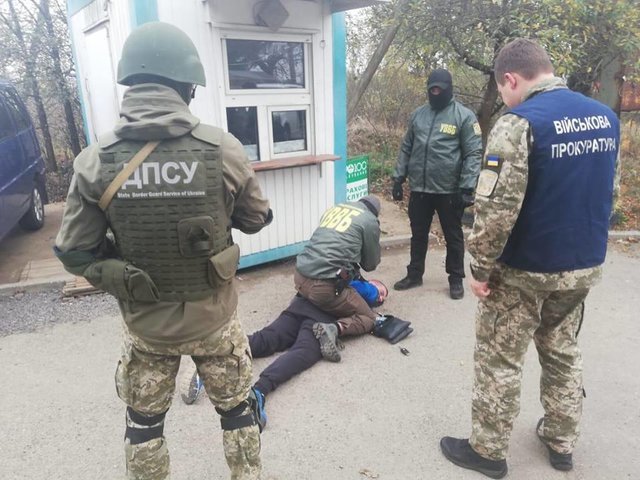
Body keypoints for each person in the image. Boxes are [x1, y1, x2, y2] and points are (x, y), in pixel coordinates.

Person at [54, 22, 272, 480]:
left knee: (144, 425)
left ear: (130, 85)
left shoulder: (95, 161)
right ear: (186, 86)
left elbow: (74, 251)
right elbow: (255, 218)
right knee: (238, 413)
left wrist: (123, 273)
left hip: (147, 327)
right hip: (214, 320)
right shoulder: (223, 149)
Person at [440, 38, 620, 479]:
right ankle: (561, 442)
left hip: (525, 270)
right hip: (582, 266)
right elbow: (609, 194)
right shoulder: (606, 118)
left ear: (511, 79)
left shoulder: (517, 124)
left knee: (500, 357)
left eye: (503, 90)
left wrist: (479, 268)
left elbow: (496, 211)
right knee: (562, 350)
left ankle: (487, 451)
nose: (504, 98)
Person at [392, 68, 482, 299]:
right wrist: (398, 177)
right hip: (420, 188)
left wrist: (467, 187)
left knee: (453, 235)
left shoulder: (464, 116)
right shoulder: (418, 115)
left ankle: (456, 278)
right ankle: (414, 274)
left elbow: (473, 153)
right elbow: (406, 147)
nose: (435, 93)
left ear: (448, 89)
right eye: (431, 89)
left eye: (439, 89)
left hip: (449, 190)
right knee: (418, 234)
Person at [293, 195, 383, 362]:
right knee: (370, 318)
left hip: (299, 277)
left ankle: (316, 302)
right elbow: (370, 264)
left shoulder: (336, 208)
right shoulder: (369, 220)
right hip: (324, 288)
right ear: (375, 213)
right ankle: (334, 329)